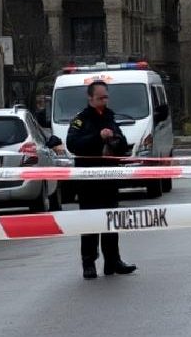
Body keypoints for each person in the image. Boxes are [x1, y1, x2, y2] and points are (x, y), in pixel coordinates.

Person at [66, 80, 137, 279]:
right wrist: (98, 137)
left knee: (111, 221)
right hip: (88, 180)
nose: (104, 101)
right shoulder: (81, 119)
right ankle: (88, 263)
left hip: (109, 178)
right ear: (90, 98)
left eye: (106, 97)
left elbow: (122, 143)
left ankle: (113, 261)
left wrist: (115, 139)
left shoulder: (110, 116)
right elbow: (73, 144)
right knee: (89, 222)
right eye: (100, 98)